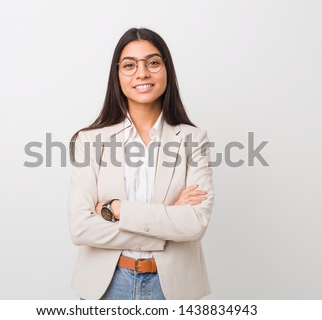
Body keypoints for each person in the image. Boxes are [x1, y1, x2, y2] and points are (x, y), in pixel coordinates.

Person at [68, 27, 214, 300]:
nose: (142, 73)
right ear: (117, 75)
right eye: (130, 65)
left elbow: (195, 223)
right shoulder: (90, 141)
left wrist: (119, 209)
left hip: (172, 289)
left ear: (166, 70)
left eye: (153, 63)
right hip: (107, 287)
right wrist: (167, 217)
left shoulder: (193, 139)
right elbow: (81, 227)